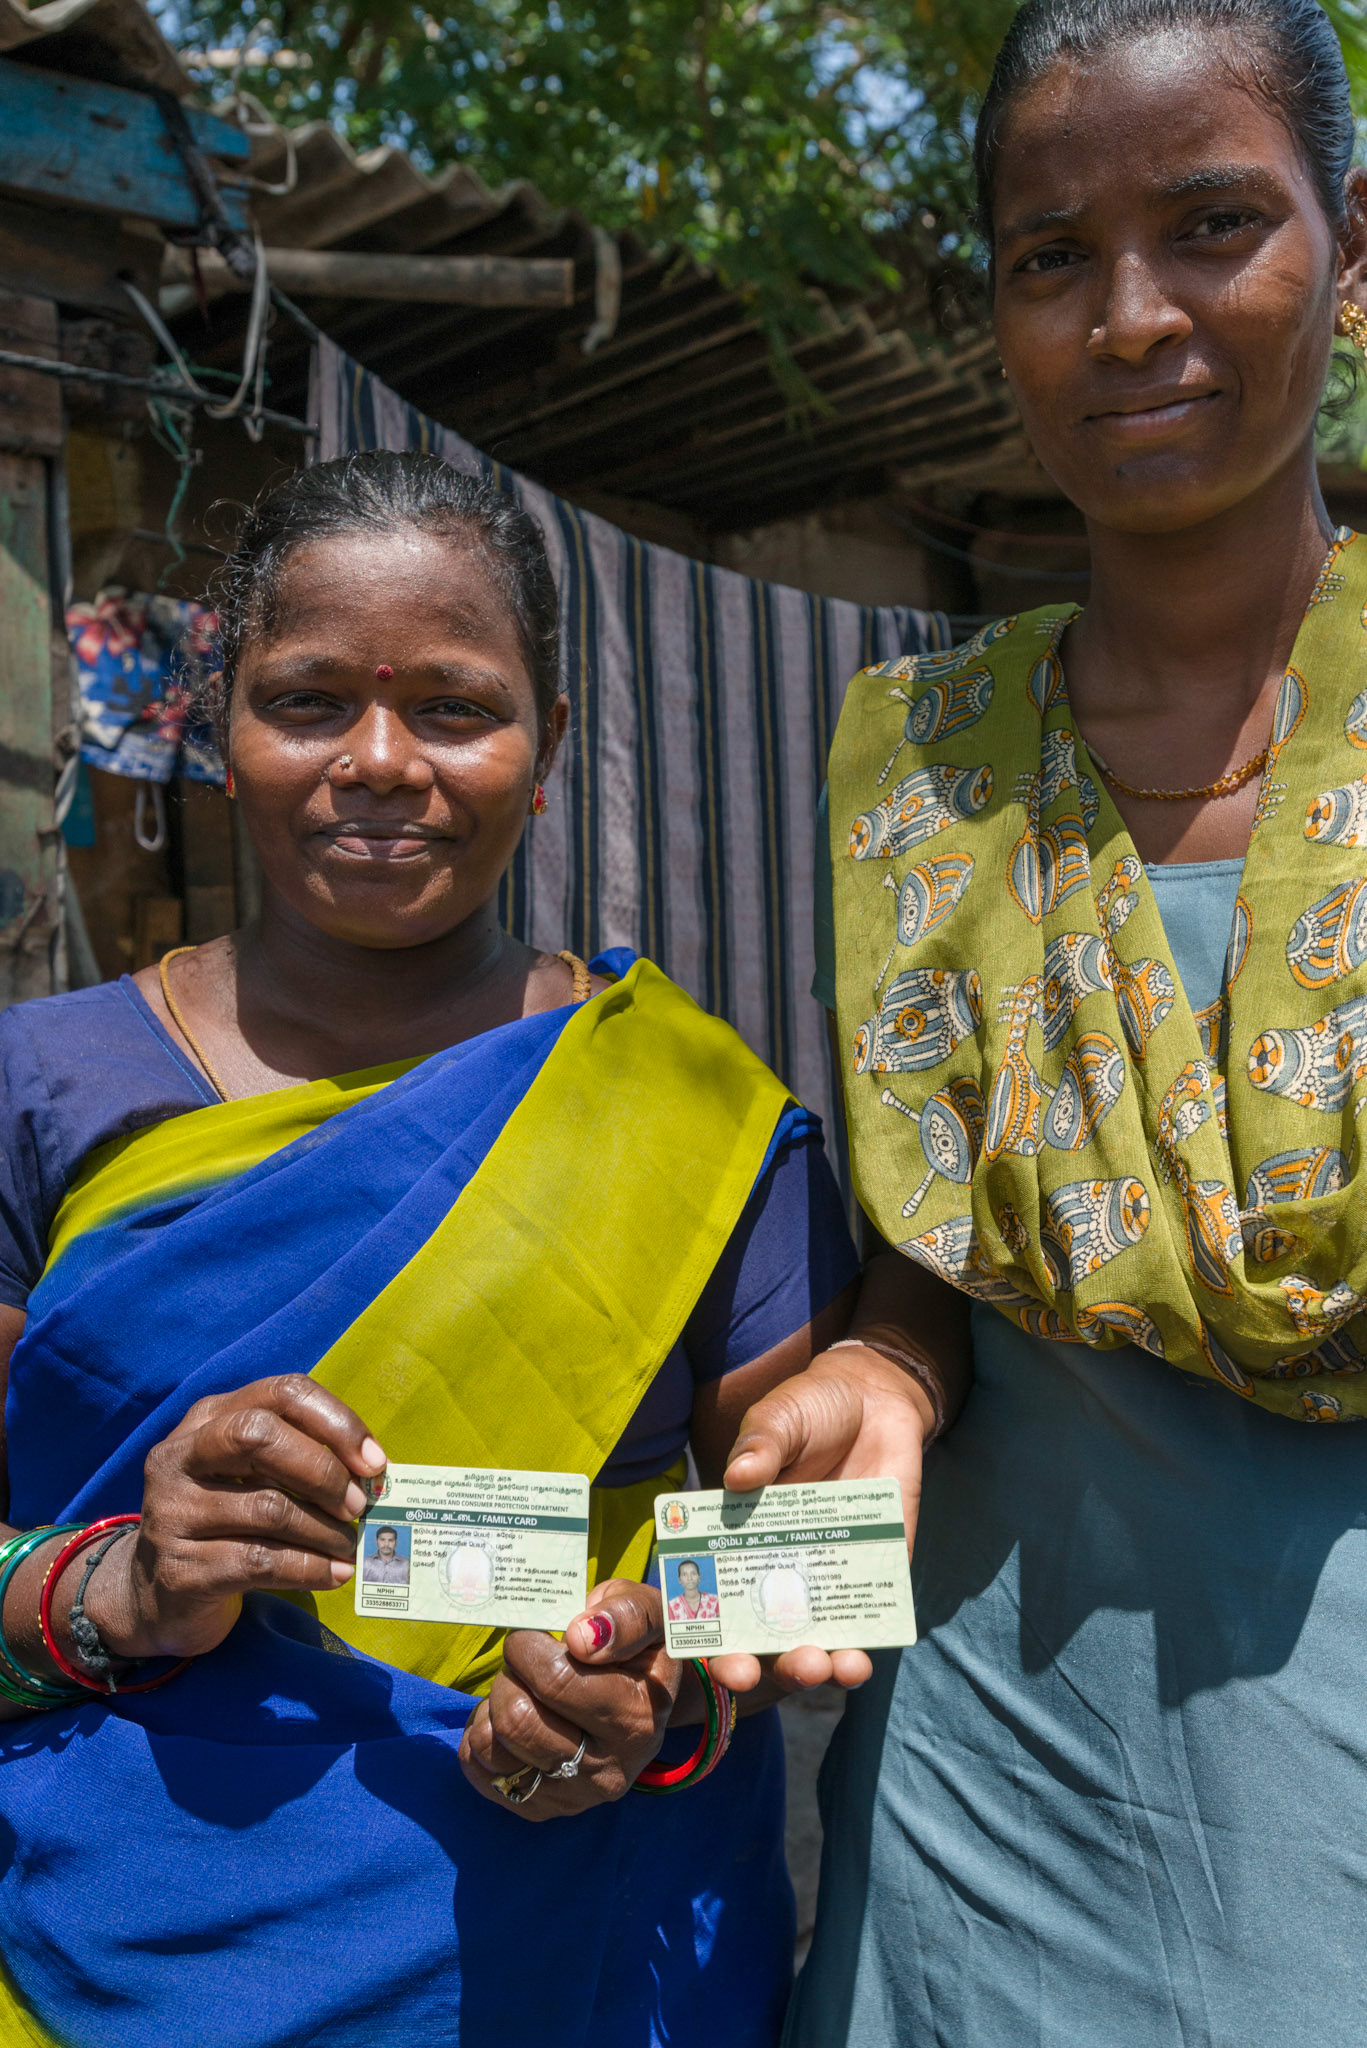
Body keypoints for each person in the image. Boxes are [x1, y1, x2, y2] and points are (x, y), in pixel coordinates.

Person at [0, 452, 868, 2048]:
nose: (380, 761)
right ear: (219, 730)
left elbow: (819, 1552)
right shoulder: (37, 1089)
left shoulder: (694, 1111)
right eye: (310, 699)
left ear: (545, 752)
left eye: (453, 709)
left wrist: (642, 1689)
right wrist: (112, 1581)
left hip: (592, 1951)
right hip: (103, 1964)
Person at [743, 2, 1367, 2039]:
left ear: (1345, 254)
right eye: (1046, 258)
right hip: (982, 1810)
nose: (1126, 319)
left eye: (1208, 227)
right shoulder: (922, 767)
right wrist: (883, 1370)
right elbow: (951, 1262)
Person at [667, 1558, 720, 1623]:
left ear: (699, 1577)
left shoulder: (715, 1601)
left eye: (693, 1573)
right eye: (684, 1574)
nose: (690, 1578)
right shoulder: (672, 1606)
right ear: (679, 1580)